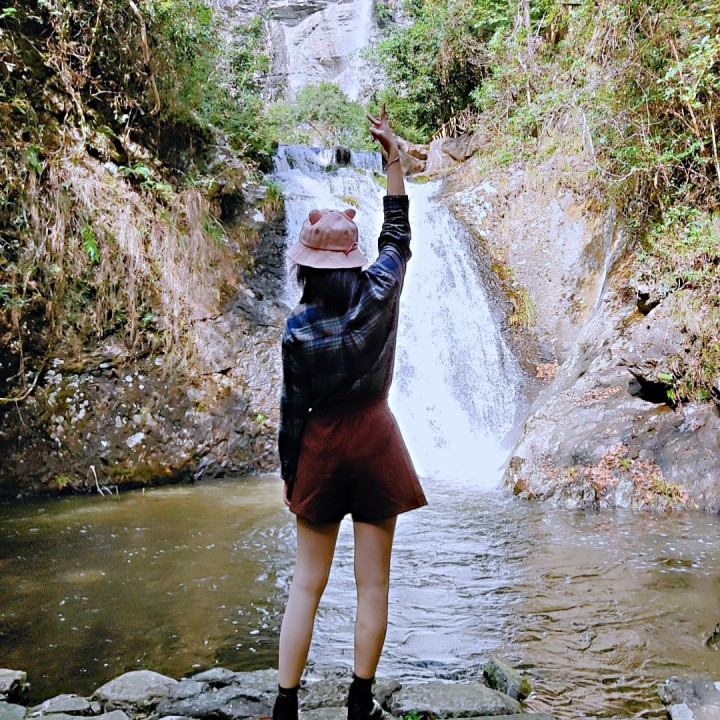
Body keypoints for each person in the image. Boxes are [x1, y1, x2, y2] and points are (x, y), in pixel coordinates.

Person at [273, 105, 427, 720]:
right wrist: (393, 161)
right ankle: (359, 703)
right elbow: (397, 235)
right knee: (374, 585)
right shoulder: (380, 289)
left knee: (305, 585)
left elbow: (291, 413)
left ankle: (286, 705)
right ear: (353, 259)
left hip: (322, 444)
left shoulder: (297, 330)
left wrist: (291, 473)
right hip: (377, 440)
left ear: (306, 267)